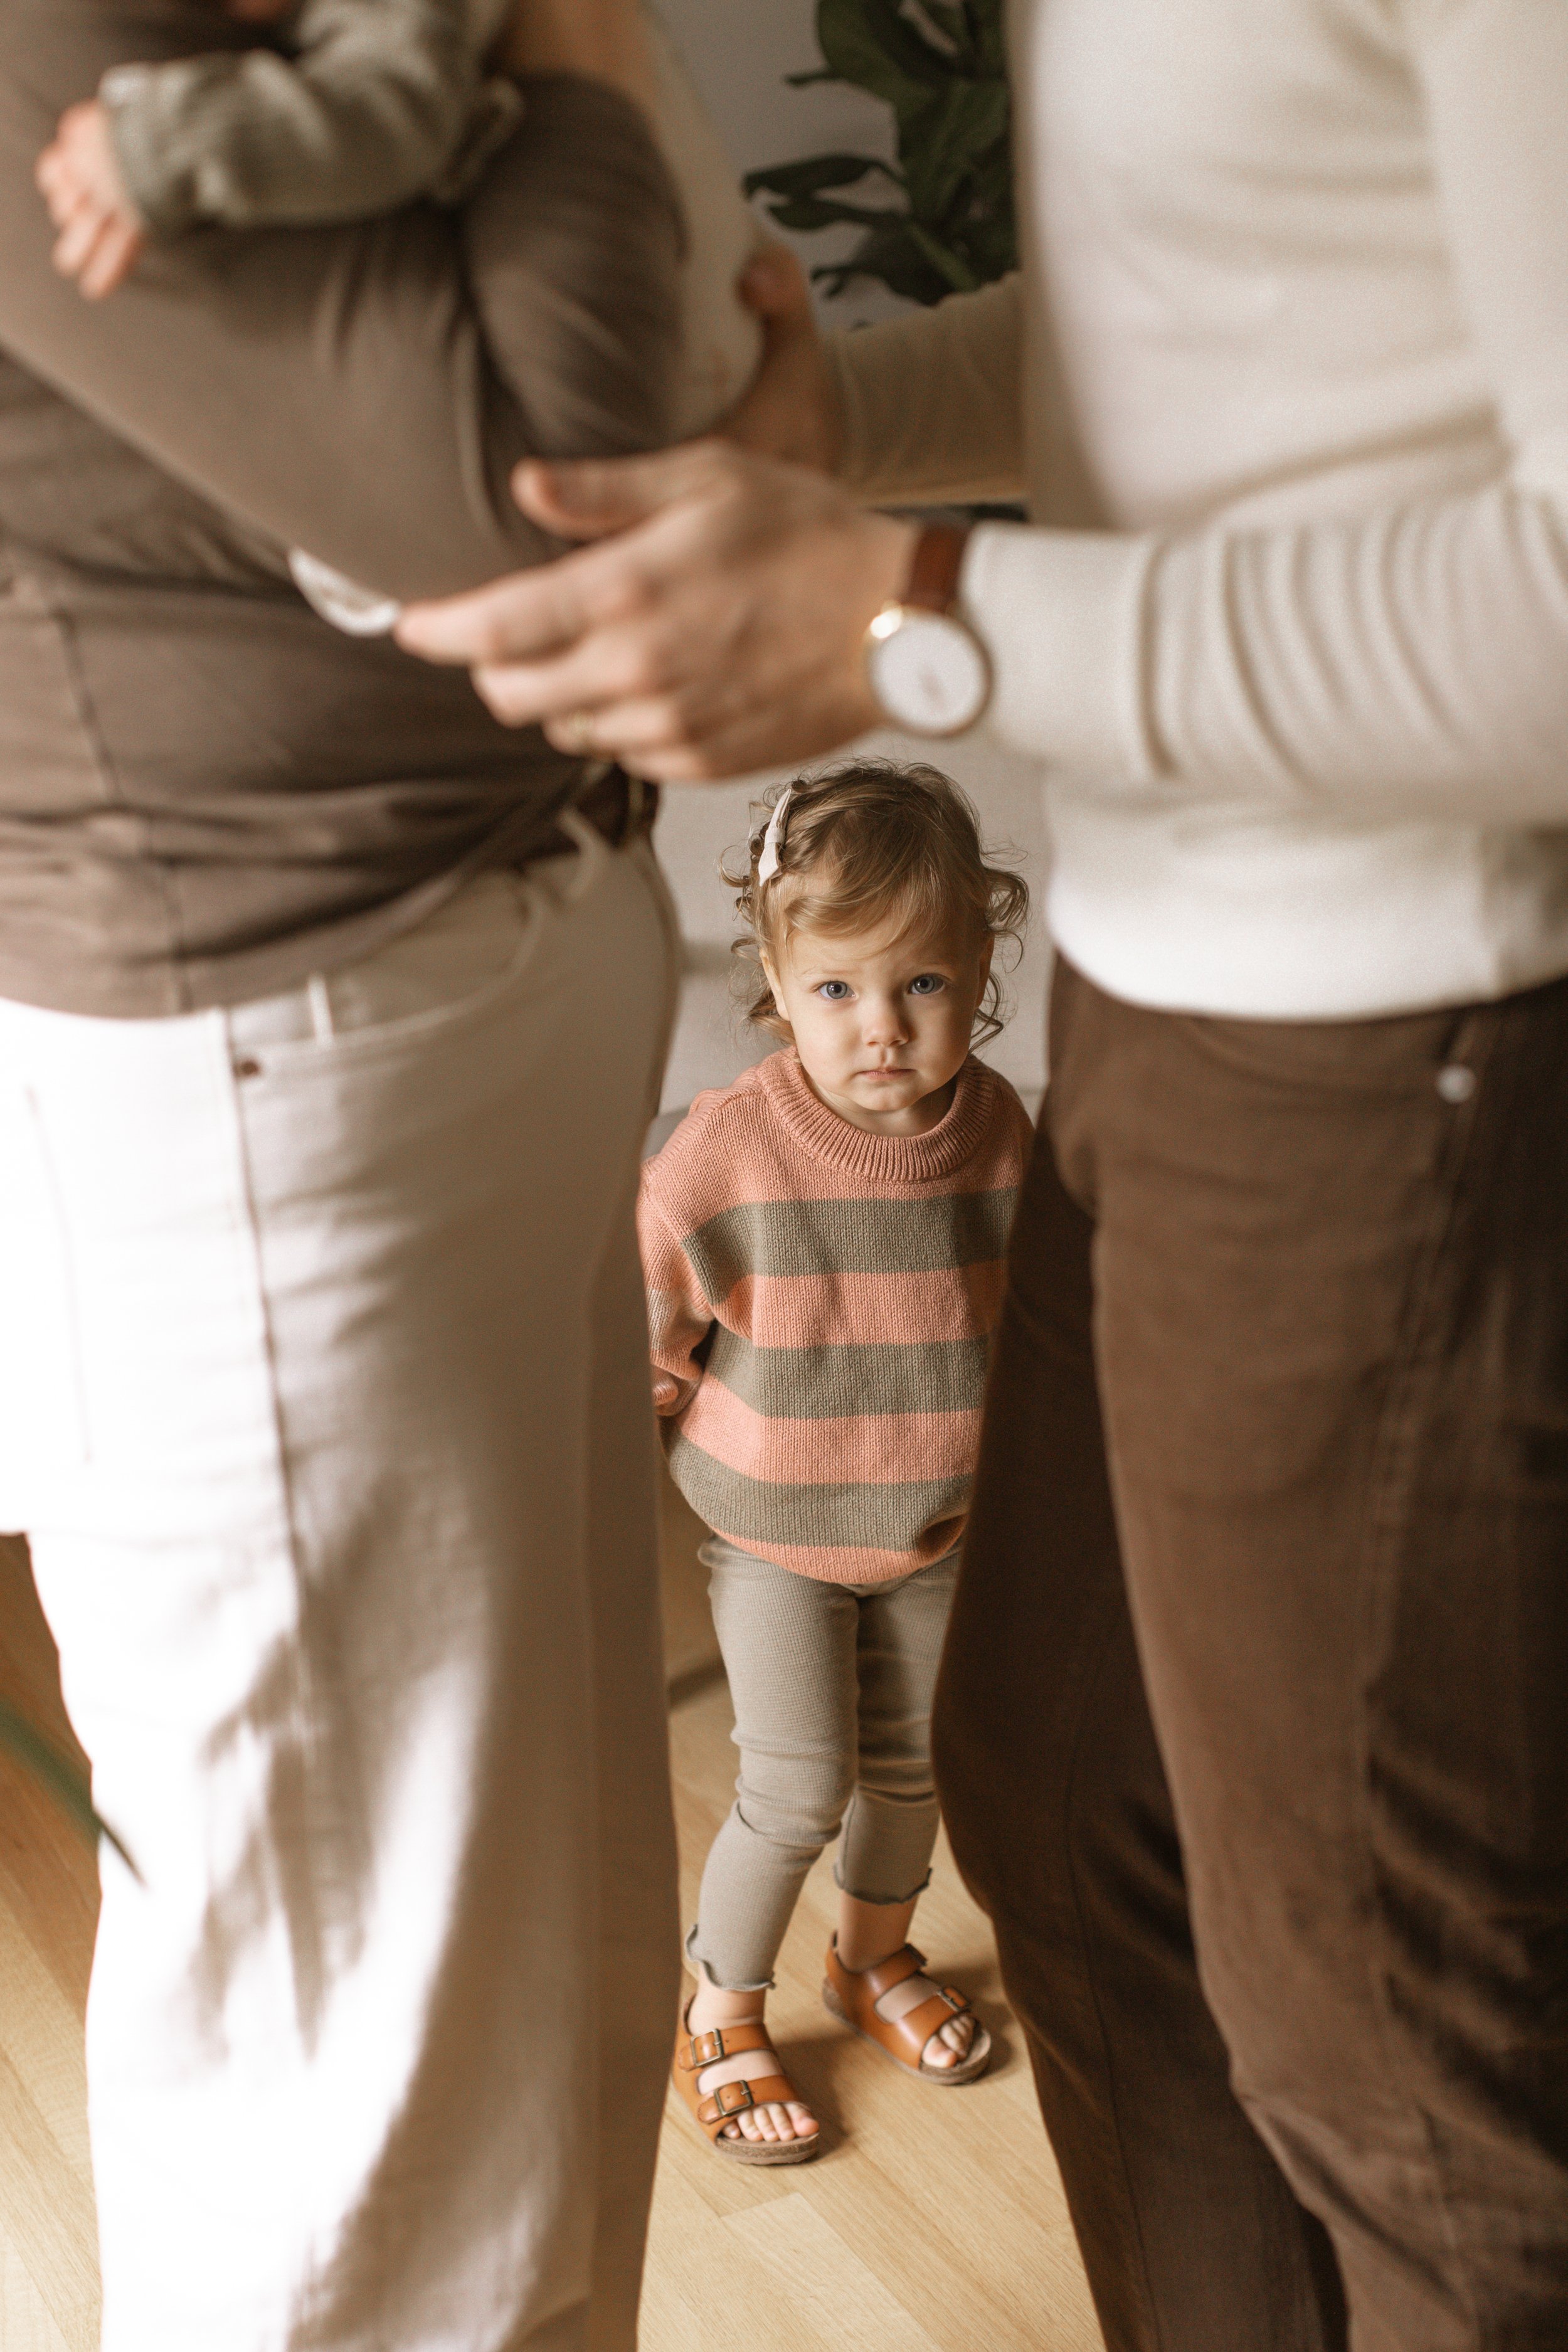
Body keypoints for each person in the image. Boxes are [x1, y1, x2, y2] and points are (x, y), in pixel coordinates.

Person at [396, 1, 1568, 2343]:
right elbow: (1248, 301)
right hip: (1173, 969)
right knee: (1061, 1804)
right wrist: (860, 425)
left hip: (1394, 1035)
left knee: (1393, 2072)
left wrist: (909, 615)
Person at [0, 3, 745, 2347]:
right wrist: (588, 39)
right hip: (283, 1113)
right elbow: (565, 451)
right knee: (367, 2137)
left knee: (514, 2030)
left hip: (416, 1058)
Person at [644, 761, 1031, 2161]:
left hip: (936, 1526)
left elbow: (1015, 1316)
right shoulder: (723, 1153)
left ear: (981, 964)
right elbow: (646, 1324)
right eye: (836, 992)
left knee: (918, 1770)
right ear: (775, 972)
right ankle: (723, 2011)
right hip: (776, 1540)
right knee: (795, 1786)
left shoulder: (994, 1128)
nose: (880, 1030)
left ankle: (867, 1959)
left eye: (920, 985)